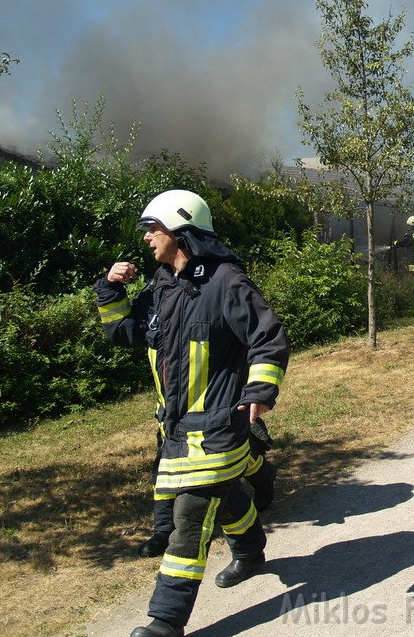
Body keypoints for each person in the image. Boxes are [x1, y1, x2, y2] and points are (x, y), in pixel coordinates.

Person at [95, 189, 290, 637]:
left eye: (153, 229)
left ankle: (166, 621)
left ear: (180, 230)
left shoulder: (225, 281)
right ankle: (252, 545)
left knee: (189, 519)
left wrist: (261, 389)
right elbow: (126, 333)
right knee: (225, 498)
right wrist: (111, 289)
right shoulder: (161, 285)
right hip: (176, 427)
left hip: (219, 424)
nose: (147, 238)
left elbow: (268, 337)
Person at [138, 418, 277, 558]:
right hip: (173, 414)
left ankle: (264, 477)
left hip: (215, 411)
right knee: (165, 467)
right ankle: (164, 528)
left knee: (229, 459)